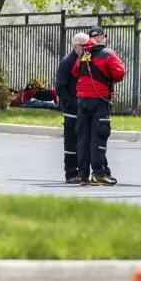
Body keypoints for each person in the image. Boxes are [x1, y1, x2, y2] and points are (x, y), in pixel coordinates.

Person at [72, 25, 125, 186]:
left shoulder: (82, 54)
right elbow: (119, 73)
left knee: (83, 138)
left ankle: (83, 175)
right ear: (102, 37)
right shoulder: (108, 54)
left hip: (82, 100)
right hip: (99, 99)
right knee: (99, 137)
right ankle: (99, 174)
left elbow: (75, 72)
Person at [55, 33, 91, 183]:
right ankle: (70, 173)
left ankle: (82, 172)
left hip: (84, 107)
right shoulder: (67, 61)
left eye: (87, 45)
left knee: (83, 142)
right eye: (82, 46)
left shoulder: (86, 59)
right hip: (72, 109)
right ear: (75, 46)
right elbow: (60, 86)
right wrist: (70, 103)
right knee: (71, 142)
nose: (85, 48)